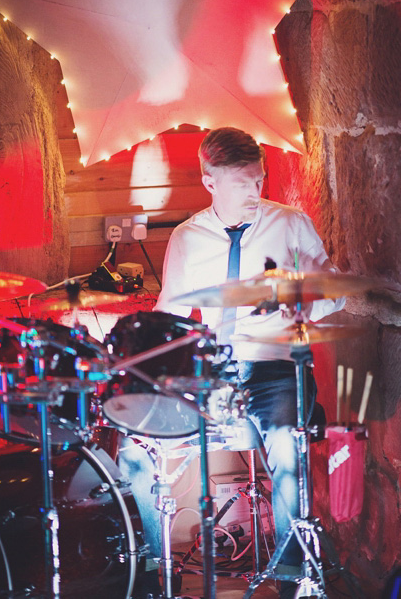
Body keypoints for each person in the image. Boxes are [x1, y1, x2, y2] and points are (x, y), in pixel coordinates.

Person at [117, 127, 345, 598]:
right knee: (134, 450)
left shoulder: (290, 224)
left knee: (286, 450)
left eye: (258, 181)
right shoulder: (187, 237)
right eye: (242, 183)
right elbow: (172, 315)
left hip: (275, 367)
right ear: (210, 182)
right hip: (212, 373)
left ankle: (292, 582)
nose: (255, 192)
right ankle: (158, 575)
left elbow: (333, 291)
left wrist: (296, 306)